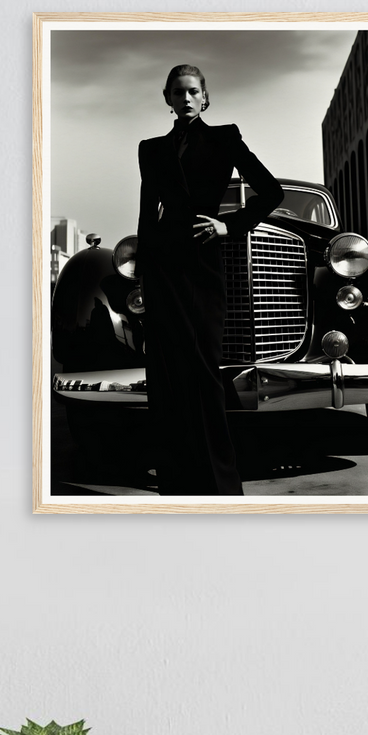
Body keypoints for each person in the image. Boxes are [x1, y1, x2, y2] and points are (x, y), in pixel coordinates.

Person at [136, 65, 284, 496]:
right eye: (178, 92)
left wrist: (229, 226)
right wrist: (144, 277)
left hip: (202, 268)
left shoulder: (224, 138)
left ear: (205, 98)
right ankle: (176, 483)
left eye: (193, 91)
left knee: (203, 375)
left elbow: (270, 191)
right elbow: (147, 216)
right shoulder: (150, 149)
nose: (185, 99)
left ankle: (220, 486)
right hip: (163, 270)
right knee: (167, 378)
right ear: (167, 98)